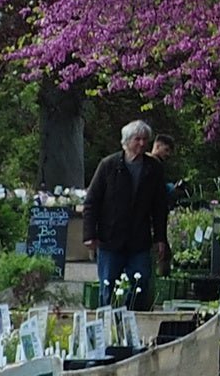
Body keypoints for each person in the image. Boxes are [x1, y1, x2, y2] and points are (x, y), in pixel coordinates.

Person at [83, 120, 169, 308]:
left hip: (139, 239)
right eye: (137, 139)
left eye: (145, 140)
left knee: (141, 283)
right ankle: (107, 324)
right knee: (108, 286)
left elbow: (160, 206)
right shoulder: (108, 165)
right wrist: (89, 235)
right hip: (110, 238)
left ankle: (133, 319)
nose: (142, 143)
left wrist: (160, 238)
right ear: (126, 141)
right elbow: (91, 202)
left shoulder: (153, 169)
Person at [149, 134, 177, 276]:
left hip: (156, 218)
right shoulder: (153, 164)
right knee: (163, 255)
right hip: (152, 219)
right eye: (166, 150)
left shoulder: (156, 165)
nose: (168, 154)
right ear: (157, 146)